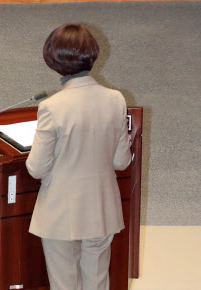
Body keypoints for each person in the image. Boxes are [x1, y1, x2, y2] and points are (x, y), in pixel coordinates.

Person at [26, 24, 132, 290]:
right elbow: (121, 162)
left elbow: (37, 168)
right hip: (101, 209)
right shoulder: (116, 99)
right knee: (97, 282)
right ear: (93, 56)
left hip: (60, 213)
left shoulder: (51, 107)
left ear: (53, 60)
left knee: (64, 284)